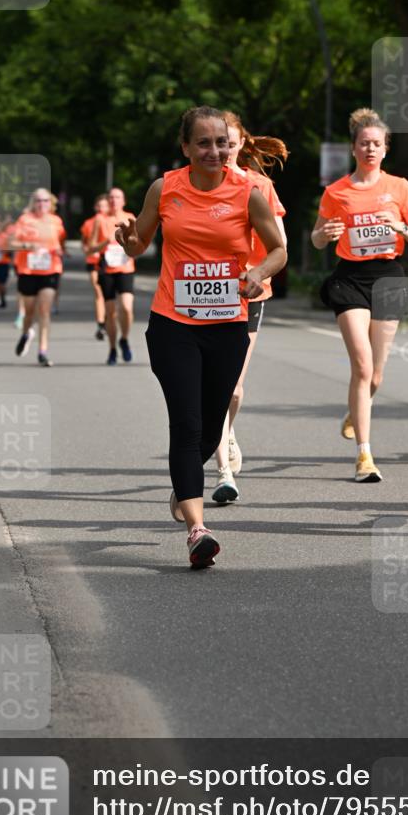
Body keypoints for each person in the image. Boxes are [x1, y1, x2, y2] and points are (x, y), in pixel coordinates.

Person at [116, 105, 287, 569]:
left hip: (227, 325)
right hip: (173, 323)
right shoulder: (165, 188)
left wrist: (259, 273)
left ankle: (183, 483)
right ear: (186, 147)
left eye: (221, 143)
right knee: (187, 423)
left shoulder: (249, 191)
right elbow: (140, 245)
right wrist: (127, 237)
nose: (214, 151)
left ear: (232, 146)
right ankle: (197, 528)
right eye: (204, 143)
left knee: (212, 426)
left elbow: (278, 249)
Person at [311, 107, 408, 482]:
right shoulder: (336, 192)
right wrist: (322, 236)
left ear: (385, 148)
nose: (370, 149)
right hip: (350, 279)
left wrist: (400, 226)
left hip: (389, 277)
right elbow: (316, 237)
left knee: (375, 376)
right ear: (354, 147)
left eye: (377, 144)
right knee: (361, 365)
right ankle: (364, 456)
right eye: (364, 144)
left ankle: (354, 409)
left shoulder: (400, 188)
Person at [211, 111, 288, 504]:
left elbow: (282, 245)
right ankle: (223, 471)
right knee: (217, 385)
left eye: (229, 140)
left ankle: (227, 429)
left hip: (248, 294)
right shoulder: (197, 185)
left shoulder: (260, 186)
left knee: (235, 389)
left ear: (241, 144)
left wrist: (257, 271)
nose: (222, 148)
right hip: (205, 294)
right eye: (214, 140)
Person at [10, 188, 66, 367]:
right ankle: (26, 333)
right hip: (28, 270)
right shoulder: (24, 220)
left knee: (44, 311)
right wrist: (28, 245)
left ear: (51, 203)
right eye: (38, 201)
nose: (42, 204)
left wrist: (59, 250)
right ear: (33, 203)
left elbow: (61, 242)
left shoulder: (56, 221)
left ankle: (43, 351)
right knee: (29, 312)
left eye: (45, 201)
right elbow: (11, 243)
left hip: (50, 269)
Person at [88, 187, 136, 364]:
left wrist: (129, 242)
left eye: (117, 197)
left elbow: (139, 243)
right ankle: (112, 348)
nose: (114, 200)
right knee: (110, 312)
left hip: (125, 269)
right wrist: (104, 243)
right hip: (106, 269)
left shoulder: (130, 217)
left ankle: (124, 339)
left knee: (126, 307)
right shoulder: (100, 220)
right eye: (111, 197)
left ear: (123, 201)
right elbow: (89, 248)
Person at [80, 194, 109, 340]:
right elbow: (84, 242)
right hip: (93, 260)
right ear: (95, 207)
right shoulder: (89, 223)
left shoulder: (113, 221)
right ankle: (101, 324)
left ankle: (107, 321)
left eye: (104, 205)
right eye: (99, 206)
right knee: (99, 292)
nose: (101, 208)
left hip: (110, 262)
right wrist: (86, 249)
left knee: (108, 294)